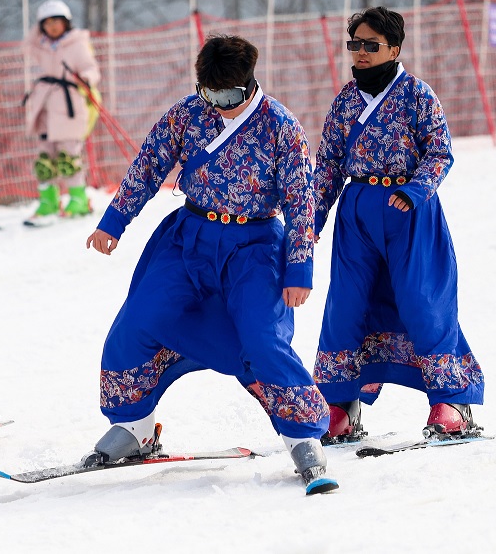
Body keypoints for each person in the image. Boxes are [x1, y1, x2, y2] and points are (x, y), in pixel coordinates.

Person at [85, 35, 336, 494]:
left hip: (254, 247)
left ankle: (302, 436)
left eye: (229, 95)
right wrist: (114, 221)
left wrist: (299, 268)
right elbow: (148, 164)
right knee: (140, 318)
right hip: (190, 238)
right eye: (210, 94)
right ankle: (135, 426)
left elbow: (302, 203)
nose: (219, 104)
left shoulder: (281, 127)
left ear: (250, 83)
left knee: (262, 339)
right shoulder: (187, 113)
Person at [311, 7, 484, 443]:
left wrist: (416, 189)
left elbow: (439, 152)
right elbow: (328, 164)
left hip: (409, 211)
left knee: (422, 302)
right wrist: (311, 220)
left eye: (371, 45)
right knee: (346, 306)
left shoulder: (417, 95)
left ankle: (451, 402)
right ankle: (340, 403)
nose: (361, 52)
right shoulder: (345, 101)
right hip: (358, 213)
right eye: (355, 44)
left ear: (394, 48)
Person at [23, 0, 102, 225]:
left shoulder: (77, 43)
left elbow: (91, 69)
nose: (52, 27)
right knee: (45, 156)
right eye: (46, 23)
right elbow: (27, 43)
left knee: (68, 154)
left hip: (69, 106)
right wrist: (37, 25)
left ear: (66, 22)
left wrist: (86, 79)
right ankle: (48, 201)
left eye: (56, 21)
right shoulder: (42, 45)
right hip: (45, 105)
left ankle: (78, 199)